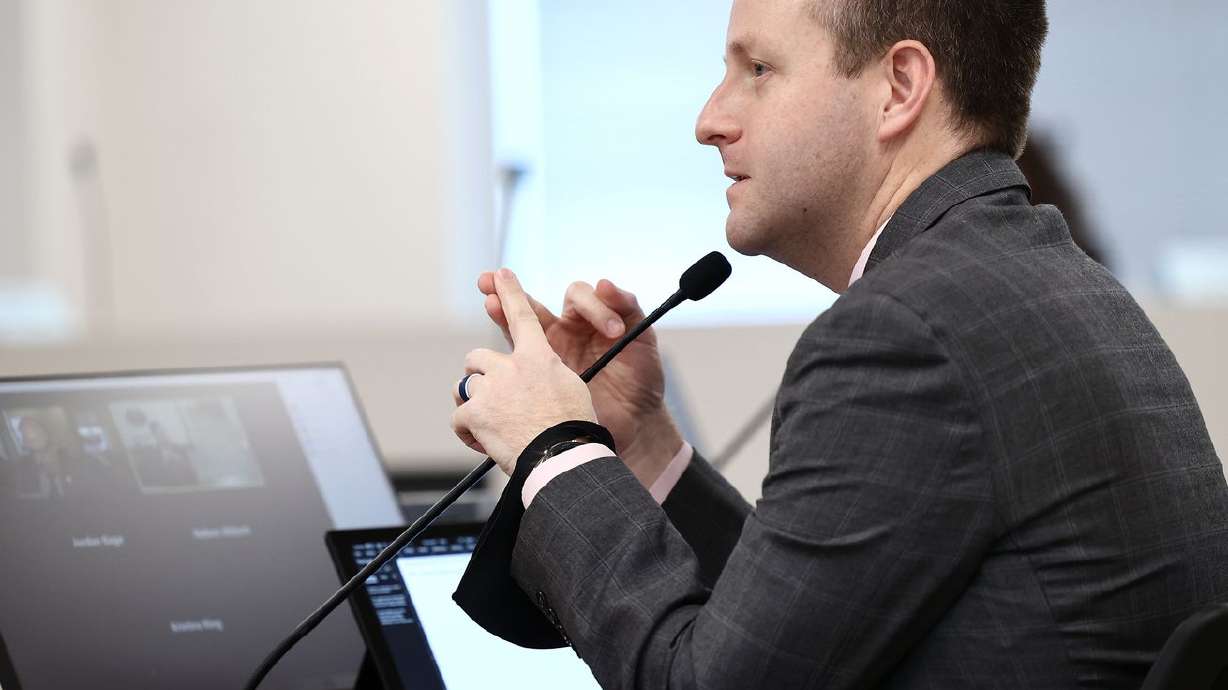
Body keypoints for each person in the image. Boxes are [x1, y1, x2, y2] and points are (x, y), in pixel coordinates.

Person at [450, 1, 1228, 687]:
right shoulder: (1049, 281)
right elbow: (801, 635)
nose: (709, 118)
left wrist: (555, 449)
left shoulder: (905, 336)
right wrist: (642, 443)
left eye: (757, 68)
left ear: (898, 89)